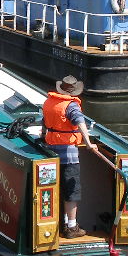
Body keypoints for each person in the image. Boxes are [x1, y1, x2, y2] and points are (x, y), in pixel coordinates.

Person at [42, 75, 95, 239]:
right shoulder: (71, 106)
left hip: (50, 151)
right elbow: (80, 122)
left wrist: (43, 137)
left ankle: (63, 223)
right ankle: (72, 227)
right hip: (68, 154)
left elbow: (44, 123)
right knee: (71, 191)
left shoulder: (49, 102)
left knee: (57, 188)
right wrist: (88, 143)